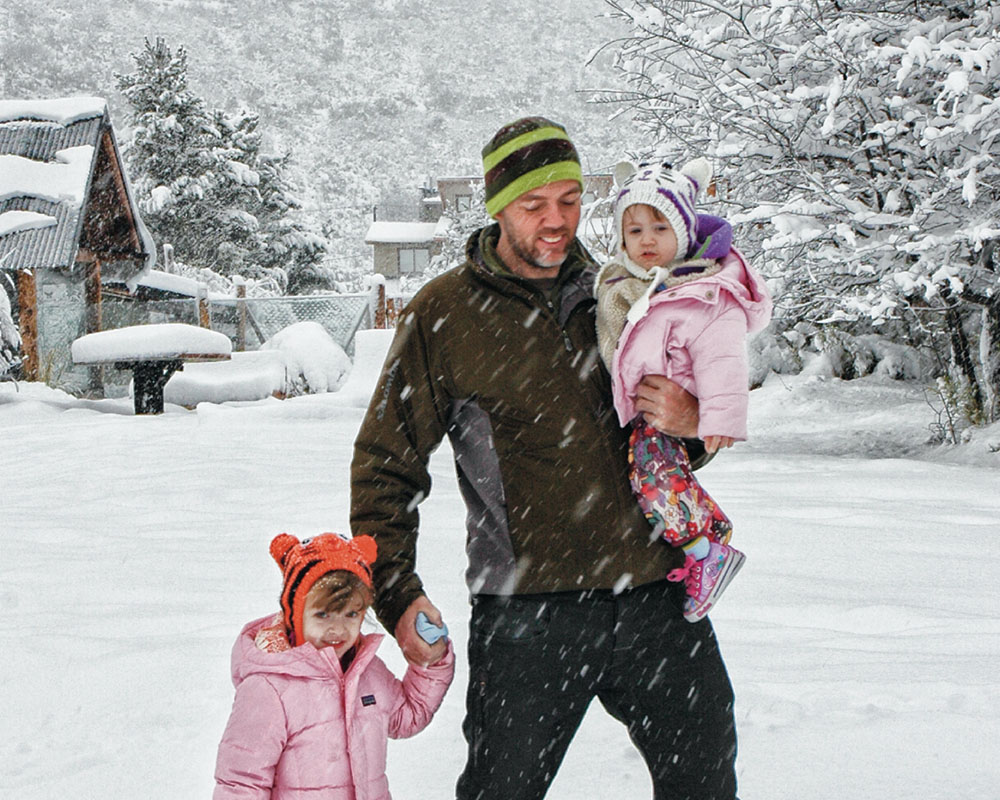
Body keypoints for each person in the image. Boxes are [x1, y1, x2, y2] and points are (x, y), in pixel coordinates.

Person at [351, 116, 740, 799]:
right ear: (497, 206)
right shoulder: (446, 315)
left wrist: (693, 422)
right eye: (534, 204)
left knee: (705, 776)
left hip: (655, 592)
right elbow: (387, 462)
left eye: (569, 199)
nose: (556, 220)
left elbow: (668, 440)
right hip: (528, 610)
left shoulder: (625, 290)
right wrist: (396, 593)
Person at [594, 158, 773, 622]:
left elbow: (723, 359)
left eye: (660, 228)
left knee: (654, 481)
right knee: (654, 480)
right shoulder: (628, 284)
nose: (647, 240)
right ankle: (709, 534)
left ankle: (704, 550)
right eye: (635, 230)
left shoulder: (702, 291)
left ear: (684, 232)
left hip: (669, 408)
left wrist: (715, 417)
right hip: (648, 413)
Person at [213, 532, 454, 800]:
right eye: (322, 614)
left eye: (351, 614)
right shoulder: (270, 687)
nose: (337, 629)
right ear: (295, 614)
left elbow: (408, 715)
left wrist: (432, 662)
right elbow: (242, 782)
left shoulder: (366, 672)